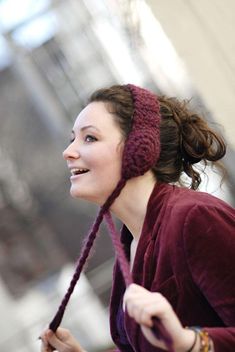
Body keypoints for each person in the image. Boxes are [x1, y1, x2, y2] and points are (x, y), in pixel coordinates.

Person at [40, 84, 235, 352]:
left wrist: (190, 343)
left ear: (139, 150)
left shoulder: (196, 218)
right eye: (72, 138)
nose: (68, 151)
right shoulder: (131, 246)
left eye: (89, 138)